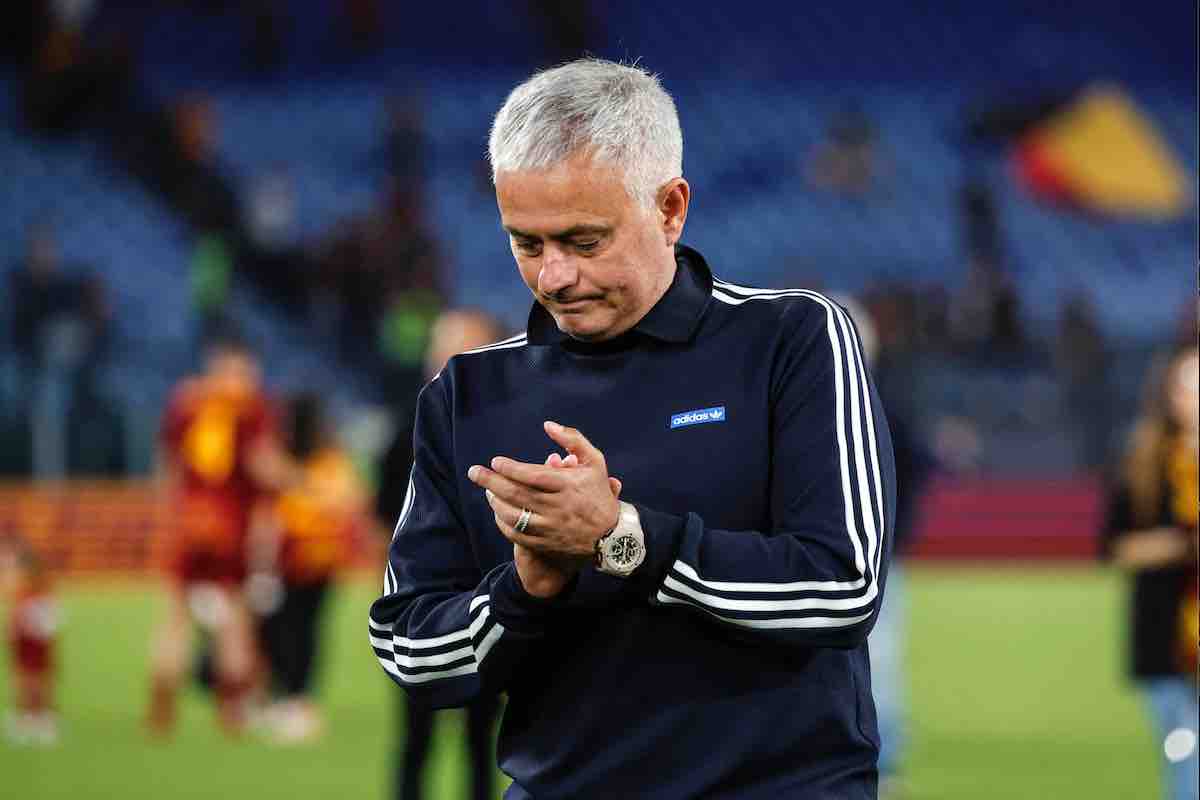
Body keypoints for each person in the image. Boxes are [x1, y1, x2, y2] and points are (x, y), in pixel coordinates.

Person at [369, 59, 896, 799]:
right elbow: (410, 648)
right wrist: (523, 591)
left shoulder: (792, 339)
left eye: (584, 242)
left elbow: (841, 588)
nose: (554, 277)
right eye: (527, 244)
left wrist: (622, 538)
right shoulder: (467, 395)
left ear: (670, 209)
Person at [376, 309, 506, 800]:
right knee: (415, 735)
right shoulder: (405, 428)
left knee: (483, 738)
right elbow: (382, 513)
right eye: (440, 346)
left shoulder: (508, 428)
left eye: (459, 346)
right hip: (424, 604)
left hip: (489, 601)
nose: (444, 358)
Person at [148, 333, 297, 736]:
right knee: (236, 617)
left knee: (176, 615)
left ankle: (161, 707)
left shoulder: (186, 401)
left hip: (189, 521)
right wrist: (299, 481)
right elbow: (261, 463)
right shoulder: (250, 405)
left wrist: (173, 513)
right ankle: (232, 708)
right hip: (231, 525)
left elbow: (167, 465)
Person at [1102, 343, 1199, 800]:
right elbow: (1114, 547)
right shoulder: (1144, 459)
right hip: (1168, 637)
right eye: (1187, 388)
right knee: (1186, 752)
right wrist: (1182, 546)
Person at [252, 392, 367, 743]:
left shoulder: (327, 459)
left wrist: (297, 480)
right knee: (281, 629)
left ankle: (298, 699)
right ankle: (284, 697)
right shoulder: (296, 456)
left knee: (301, 629)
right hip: (289, 558)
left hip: (312, 558)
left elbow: (347, 498)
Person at [3, 536, 60, 746]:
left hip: (31, 632)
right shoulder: (41, 581)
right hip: (39, 632)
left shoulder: (25, 581)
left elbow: (19, 609)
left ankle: (32, 718)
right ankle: (38, 718)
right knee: (37, 677)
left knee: (29, 677)